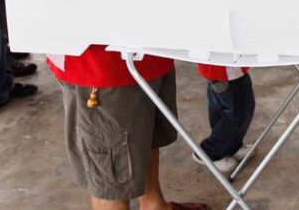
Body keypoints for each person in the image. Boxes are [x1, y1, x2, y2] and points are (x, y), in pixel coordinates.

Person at [47, 46, 211, 210]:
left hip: (150, 53)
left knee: (145, 137)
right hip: (104, 67)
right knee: (111, 181)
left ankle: (154, 205)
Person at [192, 63, 255, 174]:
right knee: (231, 115)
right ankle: (208, 152)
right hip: (219, 72)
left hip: (237, 66)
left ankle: (232, 147)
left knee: (246, 106)